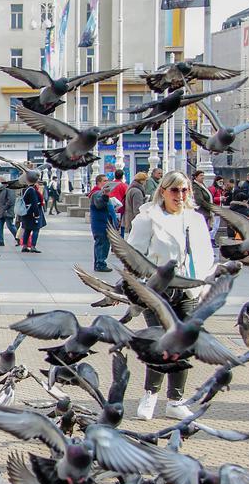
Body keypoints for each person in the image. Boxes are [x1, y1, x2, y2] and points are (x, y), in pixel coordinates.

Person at [126, 170, 216, 419]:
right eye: (174, 190)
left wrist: (203, 285)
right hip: (158, 291)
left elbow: (206, 254)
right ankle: (150, 395)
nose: (180, 195)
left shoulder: (195, 219)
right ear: (163, 191)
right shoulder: (148, 219)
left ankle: (176, 400)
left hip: (189, 290)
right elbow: (134, 255)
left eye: (185, 189)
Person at [89, 173, 119, 272]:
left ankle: (99, 262)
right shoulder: (97, 193)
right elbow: (99, 204)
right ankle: (100, 264)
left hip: (104, 223)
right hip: (101, 224)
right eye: (104, 181)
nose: (107, 182)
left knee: (103, 243)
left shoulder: (100, 193)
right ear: (99, 183)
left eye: (107, 181)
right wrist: (105, 196)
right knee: (102, 243)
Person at [19, 180, 46, 252]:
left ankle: (24, 246)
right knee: (36, 229)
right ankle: (33, 246)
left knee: (27, 230)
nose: (39, 185)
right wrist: (37, 214)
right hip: (32, 214)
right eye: (38, 183)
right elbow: (34, 203)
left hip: (26, 213)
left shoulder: (25, 189)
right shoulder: (32, 191)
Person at [0, 179, 19, 246]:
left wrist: (5, 208)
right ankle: (0, 241)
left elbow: (11, 200)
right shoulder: (0, 190)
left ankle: (19, 239)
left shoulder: (8, 189)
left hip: (7, 211)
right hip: (1, 211)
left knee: (10, 226)